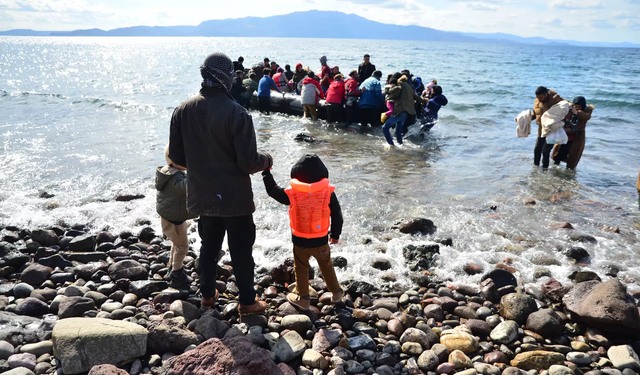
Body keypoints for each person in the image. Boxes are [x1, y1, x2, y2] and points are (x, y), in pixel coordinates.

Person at [168, 52, 273, 313]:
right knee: (241, 252)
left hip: (202, 195)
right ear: (226, 78)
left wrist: (201, 163)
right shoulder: (238, 113)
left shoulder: (183, 109)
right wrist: (267, 160)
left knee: (208, 247)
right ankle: (248, 302)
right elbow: (248, 163)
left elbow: (177, 158)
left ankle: (207, 296)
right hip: (235, 198)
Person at [261, 154, 344, 311]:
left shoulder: (293, 193)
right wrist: (335, 235)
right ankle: (337, 292)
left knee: (301, 267)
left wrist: (266, 172)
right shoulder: (328, 193)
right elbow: (337, 215)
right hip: (321, 240)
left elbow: (273, 190)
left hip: (300, 241)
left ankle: (303, 298)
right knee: (327, 266)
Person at [156, 144, 196, 289]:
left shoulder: (167, 171)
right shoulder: (175, 178)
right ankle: (177, 272)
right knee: (182, 246)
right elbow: (186, 185)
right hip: (175, 219)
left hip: (169, 215)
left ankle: (172, 266)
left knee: (176, 243)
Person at [383, 73, 425, 146]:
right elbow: (416, 97)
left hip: (399, 110)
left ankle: (391, 145)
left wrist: (388, 91)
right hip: (406, 112)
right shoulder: (409, 86)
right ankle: (400, 144)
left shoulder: (399, 85)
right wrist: (425, 100)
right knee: (398, 130)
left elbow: (392, 93)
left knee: (385, 127)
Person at [551, 96, 593, 170]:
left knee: (572, 159)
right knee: (557, 155)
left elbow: (587, 116)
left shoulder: (587, 112)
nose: (577, 108)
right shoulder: (569, 109)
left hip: (577, 138)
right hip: (565, 136)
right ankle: (554, 172)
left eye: (579, 106)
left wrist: (577, 113)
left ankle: (569, 177)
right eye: (575, 106)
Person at [532, 86, 564, 168]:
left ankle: (545, 170)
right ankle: (535, 169)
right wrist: (526, 119)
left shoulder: (555, 100)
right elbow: (535, 114)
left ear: (546, 94)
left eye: (541, 97)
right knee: (537, 150)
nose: (539, 99)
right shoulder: (537, 101)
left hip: (553, 130)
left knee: (545, 151)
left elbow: (566, 107)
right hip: (541, 129)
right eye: (537, 97)